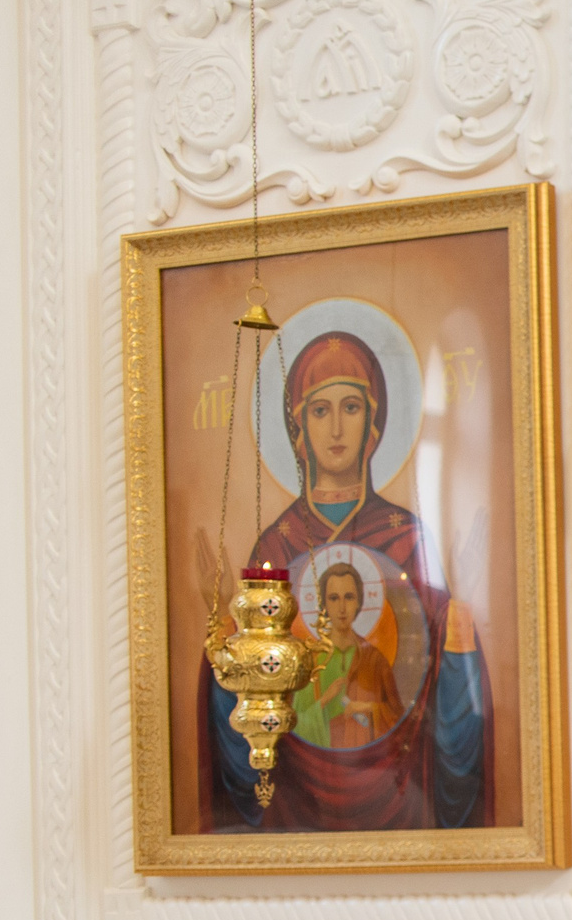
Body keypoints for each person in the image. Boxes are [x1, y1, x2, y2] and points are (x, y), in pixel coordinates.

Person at [201, 329, 490, 831]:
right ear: (299, 431)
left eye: (351, 407)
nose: (336, 427)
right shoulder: (276, 547)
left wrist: (456, 611)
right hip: (297, 794)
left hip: (399, 792)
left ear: (373, 426)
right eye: (320, 410)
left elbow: (432, 680)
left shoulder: (406, 537)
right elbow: (249, 694)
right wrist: (227, 625)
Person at [293, 561, 403, 751]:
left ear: (359, 601)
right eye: (334, 598)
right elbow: (295, 723)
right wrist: (325, 701)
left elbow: (397, 718)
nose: (342, 608)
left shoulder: (374, 660)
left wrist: (368, 708)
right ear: (324, 604)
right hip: (322, 763)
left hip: (366, 761)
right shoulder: (311, 659)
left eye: (349, 597)